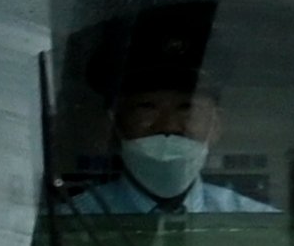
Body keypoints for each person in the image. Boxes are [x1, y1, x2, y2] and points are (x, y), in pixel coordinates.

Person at [60, 82, 276, 220]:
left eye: (187, 108)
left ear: (216, 125)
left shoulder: (257, 224)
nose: (169, 126)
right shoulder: (72, 224)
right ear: (113, 124)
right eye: (147, 107)